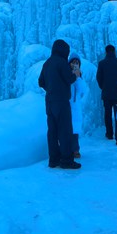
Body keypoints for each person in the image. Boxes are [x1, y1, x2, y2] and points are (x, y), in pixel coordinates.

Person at [38, 39, 81, 169]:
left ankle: (53, 160)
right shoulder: (62, 63)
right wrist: (76, 74)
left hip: (49, 102)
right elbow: (69, 78)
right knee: (65, 131)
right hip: (62, 102)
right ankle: (67, 161)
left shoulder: (47, 63)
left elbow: (41, 82)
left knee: (52, 131)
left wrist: (51, 89)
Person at [96, 44, 117, 146]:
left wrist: (103, 87)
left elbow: (98, 78)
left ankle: (109, 134)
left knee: (107, 114)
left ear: (106, 52)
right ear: (114, 51)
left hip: (106, 94)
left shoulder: (102, 64)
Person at [68, 53, 89, 158]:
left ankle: (75, 150)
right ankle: (66, 149)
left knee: (75, 128)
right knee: (66, 129)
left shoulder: (79, 76)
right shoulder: (66, 74)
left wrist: (78, 77)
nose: (75, 65)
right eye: (73, 62)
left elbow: (83, 90)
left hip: (75, 107)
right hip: (67, 105)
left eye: (77, 63)